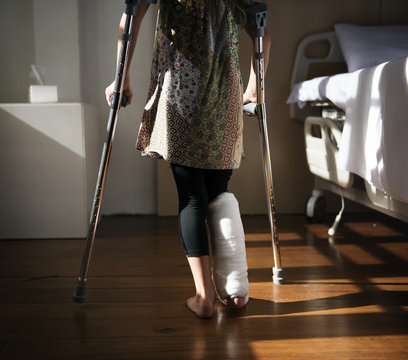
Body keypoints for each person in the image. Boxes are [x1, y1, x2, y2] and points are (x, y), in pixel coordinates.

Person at [106, 0, 270, 318]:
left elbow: (131, 16)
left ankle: (203, 296)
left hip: (180, 89)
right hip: (225, 90)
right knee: (218, 193)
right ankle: (235, 291)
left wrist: (121, 77)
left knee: (192, 196)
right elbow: (261, 27)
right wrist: (255, 85)